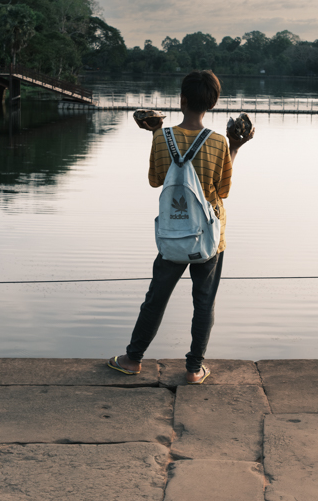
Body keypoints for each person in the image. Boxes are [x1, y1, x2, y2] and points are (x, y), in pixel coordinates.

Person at [108, 70, 253, 384]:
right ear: (212, 104)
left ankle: (132, 360)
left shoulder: (162, 137)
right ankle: (193, 369)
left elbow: (156, 180)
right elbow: (223, 189)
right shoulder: (217, 142)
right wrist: (235, 148)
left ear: (182, 100)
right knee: (204, 302)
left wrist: (156, 136)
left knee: (156, 298)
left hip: (174, 233)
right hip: (210, 238)